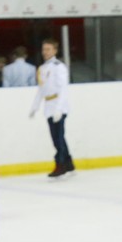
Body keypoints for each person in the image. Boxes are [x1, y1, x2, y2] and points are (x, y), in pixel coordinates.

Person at [29, 37, 73, 178]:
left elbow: (63, 89)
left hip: (59, 106)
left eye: (48, 49)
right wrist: (35, 107)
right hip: (49, 106)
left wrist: (59, 109)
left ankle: (60, 165)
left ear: (55, 50)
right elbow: (41, 89)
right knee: (57, 137)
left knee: (58, 138)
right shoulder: (42, 68)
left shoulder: (59, 67)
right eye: (44, 49)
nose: (45, 52)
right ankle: (69, 164)